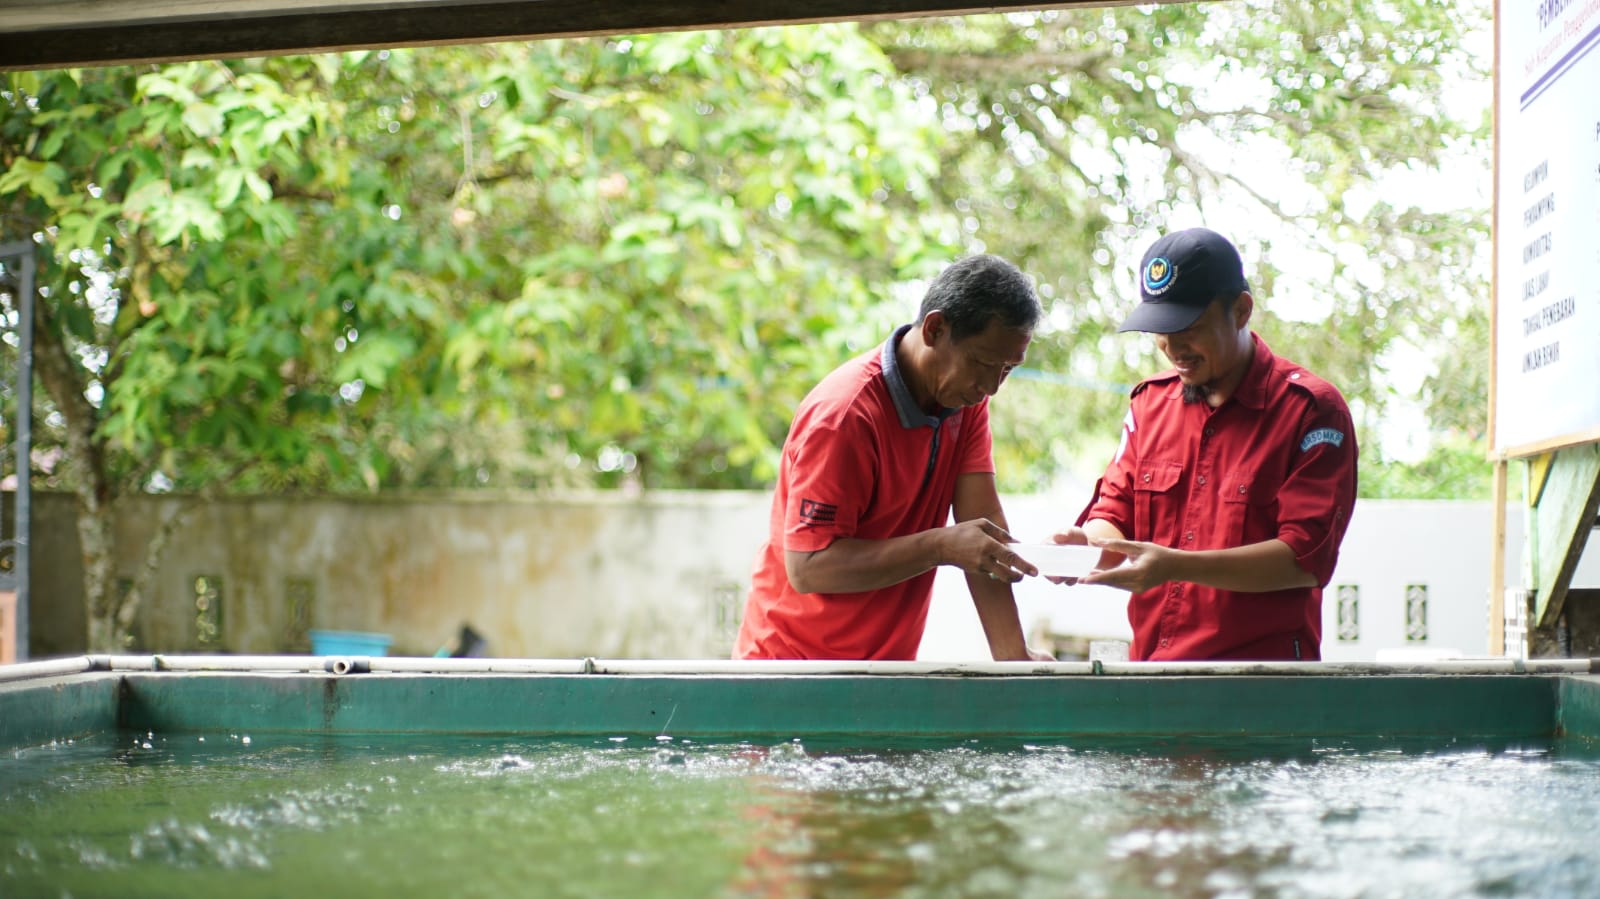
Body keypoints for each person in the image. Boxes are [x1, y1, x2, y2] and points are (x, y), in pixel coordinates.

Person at [1053, 227, 1358, 661]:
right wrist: (1084, 548)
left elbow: (1304, 559)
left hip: (1263, 691)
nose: (1172, 348)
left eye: (1189, 327)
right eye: (1159, 330)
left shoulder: (1311, 411)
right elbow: (1115, 512)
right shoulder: (1149, 405)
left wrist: (1176, 565)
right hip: (1154, 680)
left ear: (1240, 311)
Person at [733, 254, 1052, 661]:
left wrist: (1014, 660)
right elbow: (808, 567)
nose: (991, 386)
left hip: (883, 672)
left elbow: (983, 536)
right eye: (984, 362)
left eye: (1007, 369)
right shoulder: (844, 415)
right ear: (935, 329)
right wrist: (939, 546)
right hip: (790, 669)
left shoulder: (966, 402)